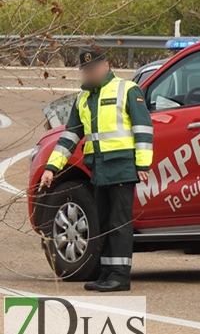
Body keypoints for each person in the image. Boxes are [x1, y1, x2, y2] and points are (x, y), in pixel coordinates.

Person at [40, 48, 153, 292]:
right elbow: (69, 136)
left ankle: (120, 276)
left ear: (106, 66)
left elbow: (143, 129)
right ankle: (107, 273)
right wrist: (51, 167)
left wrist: (143, 164)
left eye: (94, 68)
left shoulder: (127, 90)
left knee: (119, 222)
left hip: (122, 167)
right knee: (103, 222)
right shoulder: (83, 99)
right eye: (86, 70)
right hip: (99, 170)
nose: (90, 73)